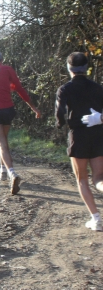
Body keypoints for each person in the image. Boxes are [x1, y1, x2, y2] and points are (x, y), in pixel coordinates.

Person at [0, 50, 40, 195]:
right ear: (2, 59)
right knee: (4, 141)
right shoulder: (7, 69)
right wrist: (34, 107)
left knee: (1, 144)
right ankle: (3, 170)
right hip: (7, 110)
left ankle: (12, 173)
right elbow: (19, 89)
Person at [55, 52, 103, 231]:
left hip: (78, 136)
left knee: (82, 179)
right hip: (98, 134)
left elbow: (59, 114)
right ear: (87, 68)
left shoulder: (64, 89)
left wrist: (60, 124)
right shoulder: (98, 88)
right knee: (99, 178)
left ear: (69, 68)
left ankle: (96, 219)